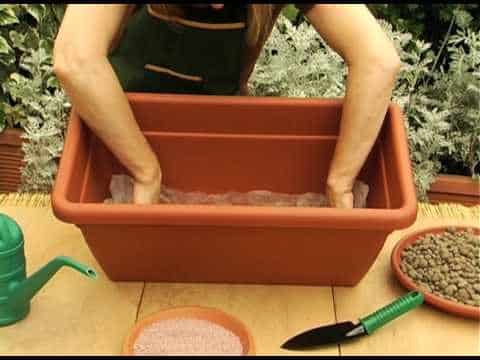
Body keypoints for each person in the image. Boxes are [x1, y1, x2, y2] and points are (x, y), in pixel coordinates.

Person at [53, 4, 401, 208]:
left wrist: (340, 183)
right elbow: (75, 59)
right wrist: (146, 171)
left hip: (215, 132)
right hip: (121, 134)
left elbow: (378, 61)